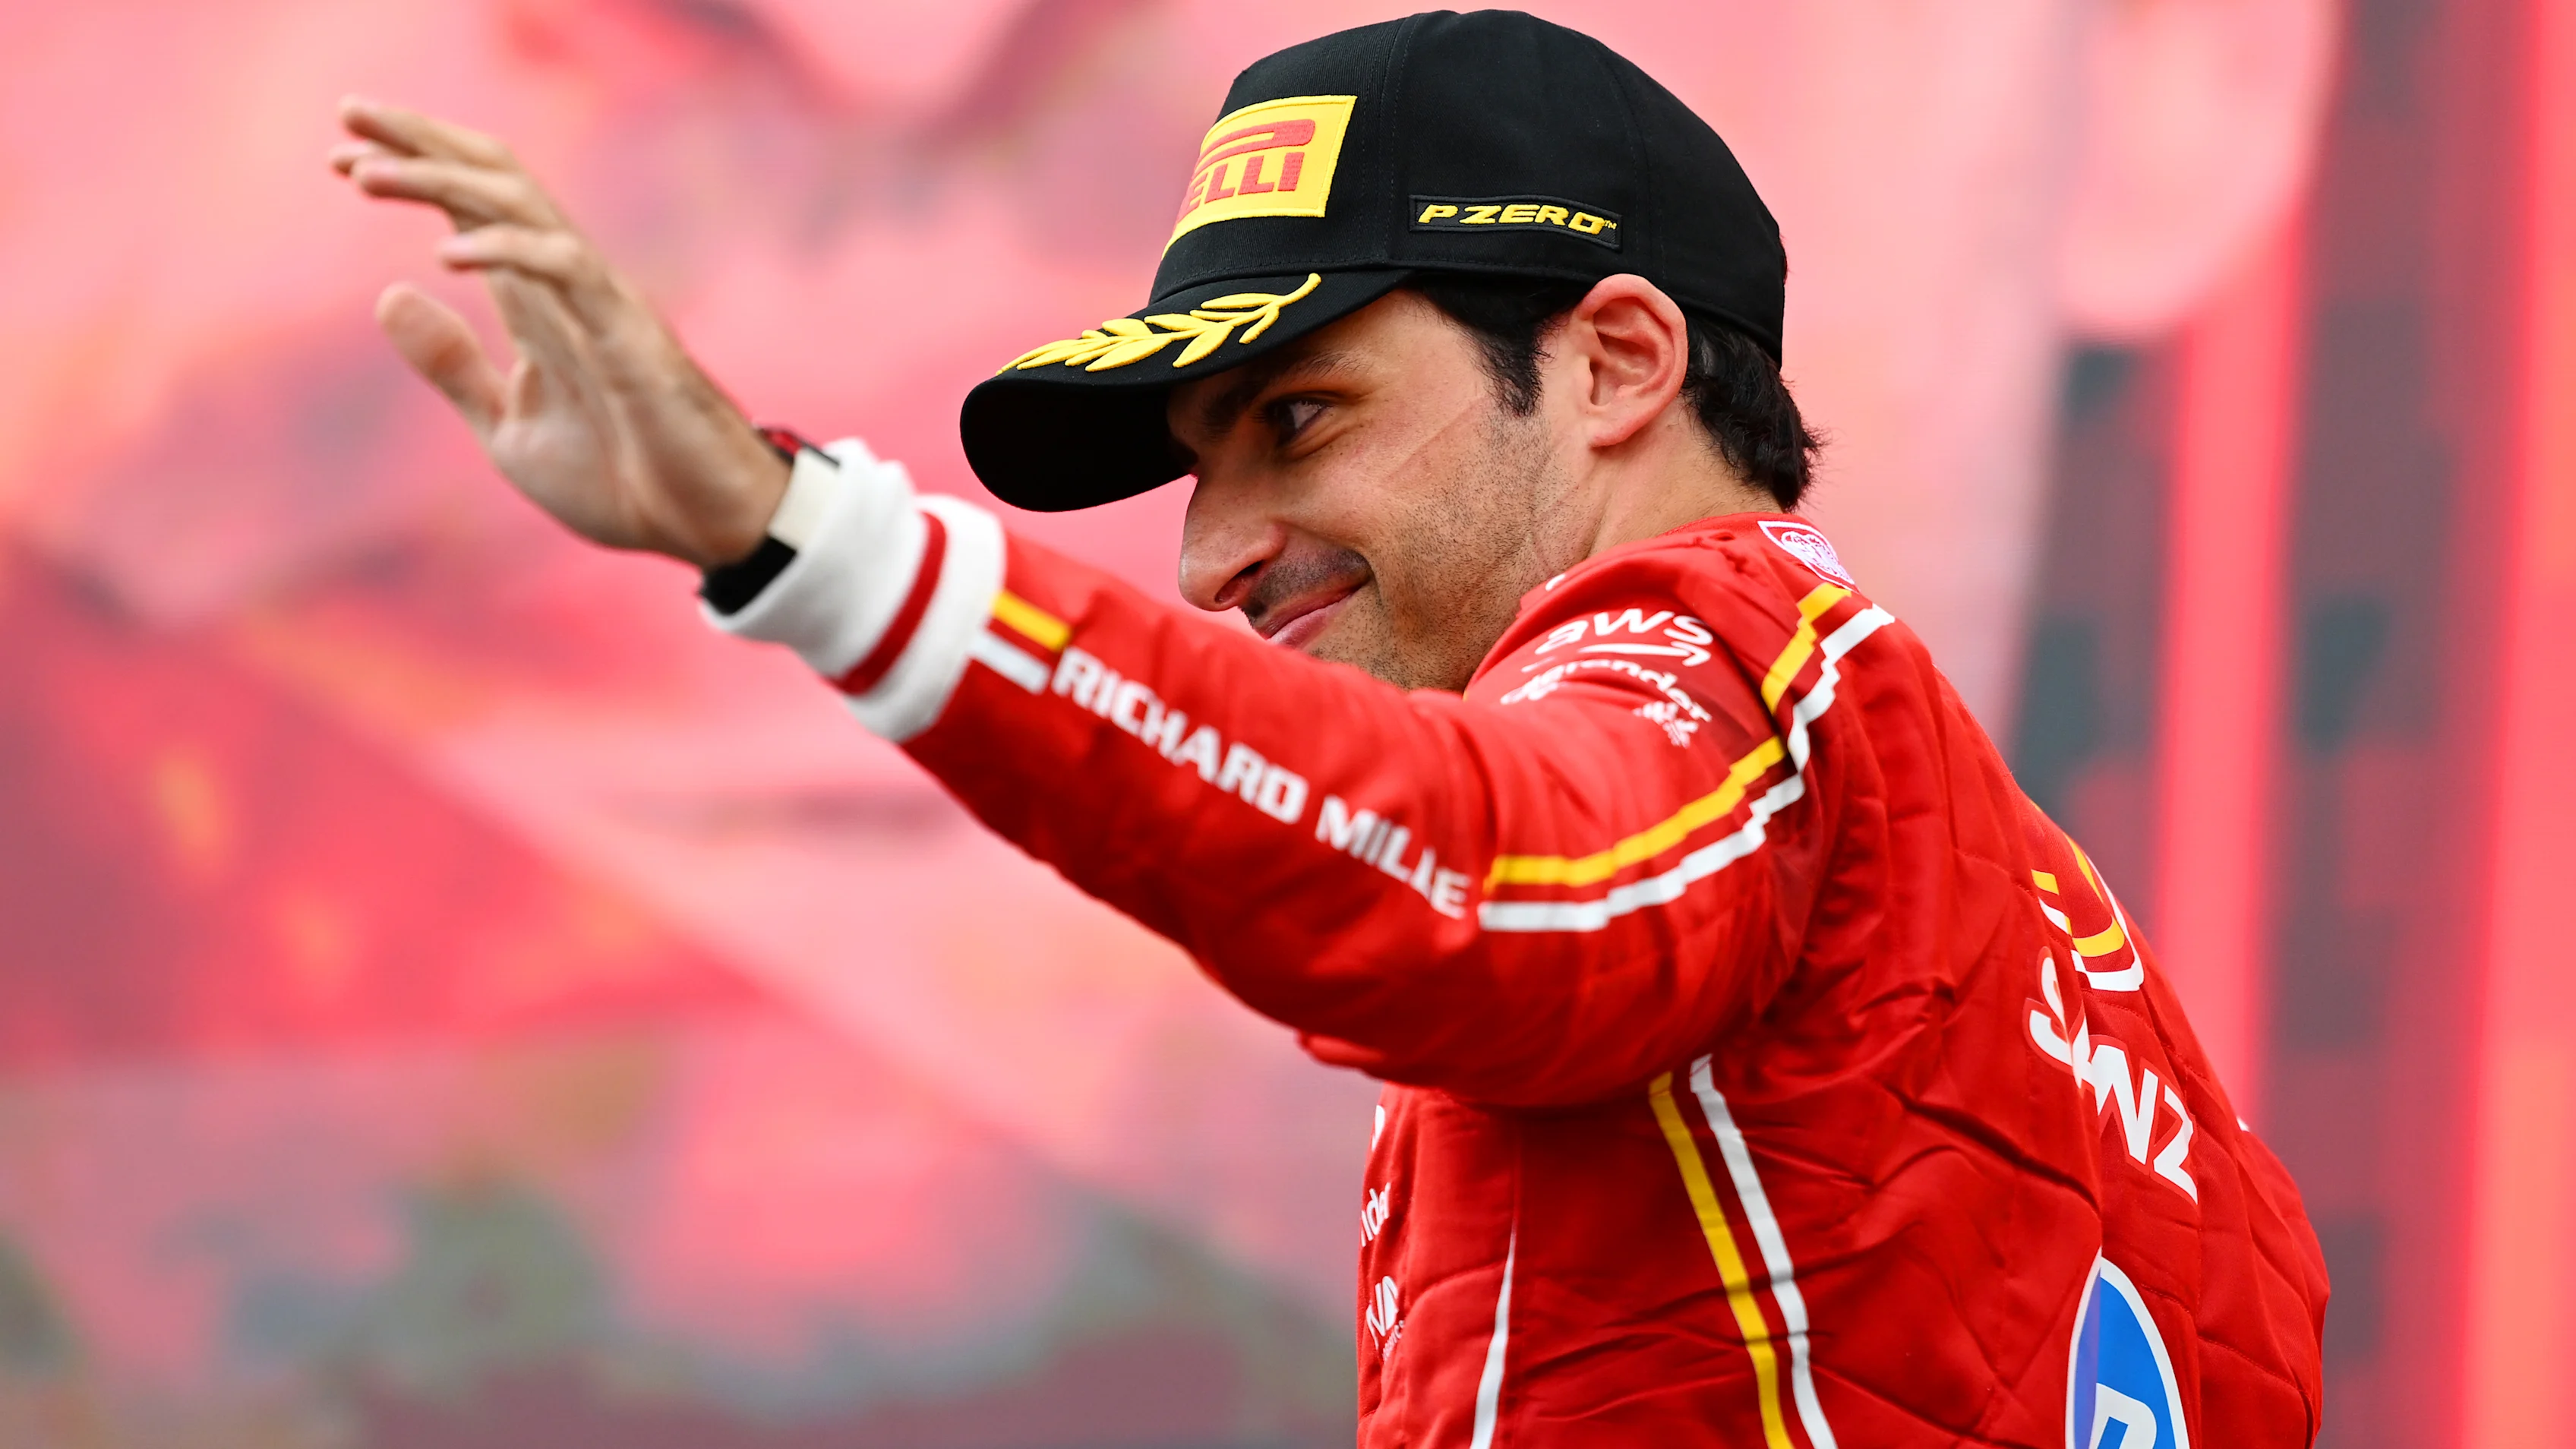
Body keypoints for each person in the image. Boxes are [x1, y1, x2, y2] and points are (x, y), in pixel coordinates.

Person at [334, 9, 2327, 1444]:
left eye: (1300, 418)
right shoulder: (2062, 962)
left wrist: (802, 541)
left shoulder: (1726, 662)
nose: (1212, 556)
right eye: (1197, 466)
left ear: (1617, 363)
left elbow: (1497, 878)